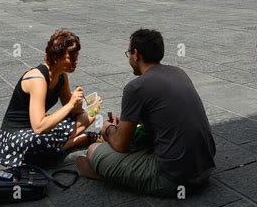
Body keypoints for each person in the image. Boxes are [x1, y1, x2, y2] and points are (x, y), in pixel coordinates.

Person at [76, 28, 216, 196]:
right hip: (204, 169)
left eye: (129, 53)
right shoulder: (179, 72)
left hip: (173, 178)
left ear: (136, 54)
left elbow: (120, 144)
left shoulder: (136, 87)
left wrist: (108, 128)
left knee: (93, 149)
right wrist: (129, 122)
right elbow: (162, 115)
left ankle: (110, 174)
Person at [0, 29, 103, 168]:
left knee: (90, 116)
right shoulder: (37, 79)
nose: (75, 62)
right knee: (39, 142)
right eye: (71, 57)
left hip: (41, 130)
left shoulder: (61, 75)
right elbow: (38, 127)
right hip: (15, 136)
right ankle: (74, 141)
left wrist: (87, 105)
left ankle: (61, 144)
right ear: (56, 57)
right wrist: (70, 105)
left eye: (76, 57)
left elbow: (73, 111)